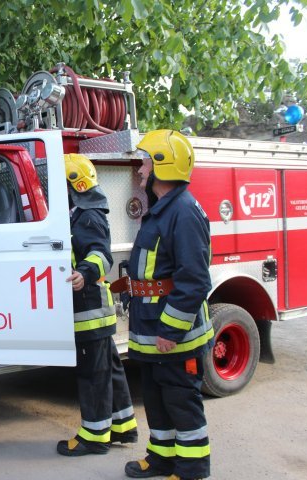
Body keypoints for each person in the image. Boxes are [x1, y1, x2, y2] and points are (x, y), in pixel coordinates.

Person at [119, 130, 213, 480]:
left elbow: (193, 281)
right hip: (152, 327)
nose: (140, 169)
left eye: (145, 161)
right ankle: (162, 459)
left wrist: (171, 330)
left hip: (174, 335)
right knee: (158, 399)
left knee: (181, 402)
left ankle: (191, 470)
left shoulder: (184, 213)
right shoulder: (163, 209)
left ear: (162, 165)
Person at [57, 154, 138, 457]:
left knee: (93, 375)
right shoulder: (80, 213)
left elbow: (101, 254)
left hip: (88, 309)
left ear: (73, 186)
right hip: (95, 311)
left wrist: (84, 273)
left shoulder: (87, 217)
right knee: (109, 370)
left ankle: (94, 436)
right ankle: (122, 426)